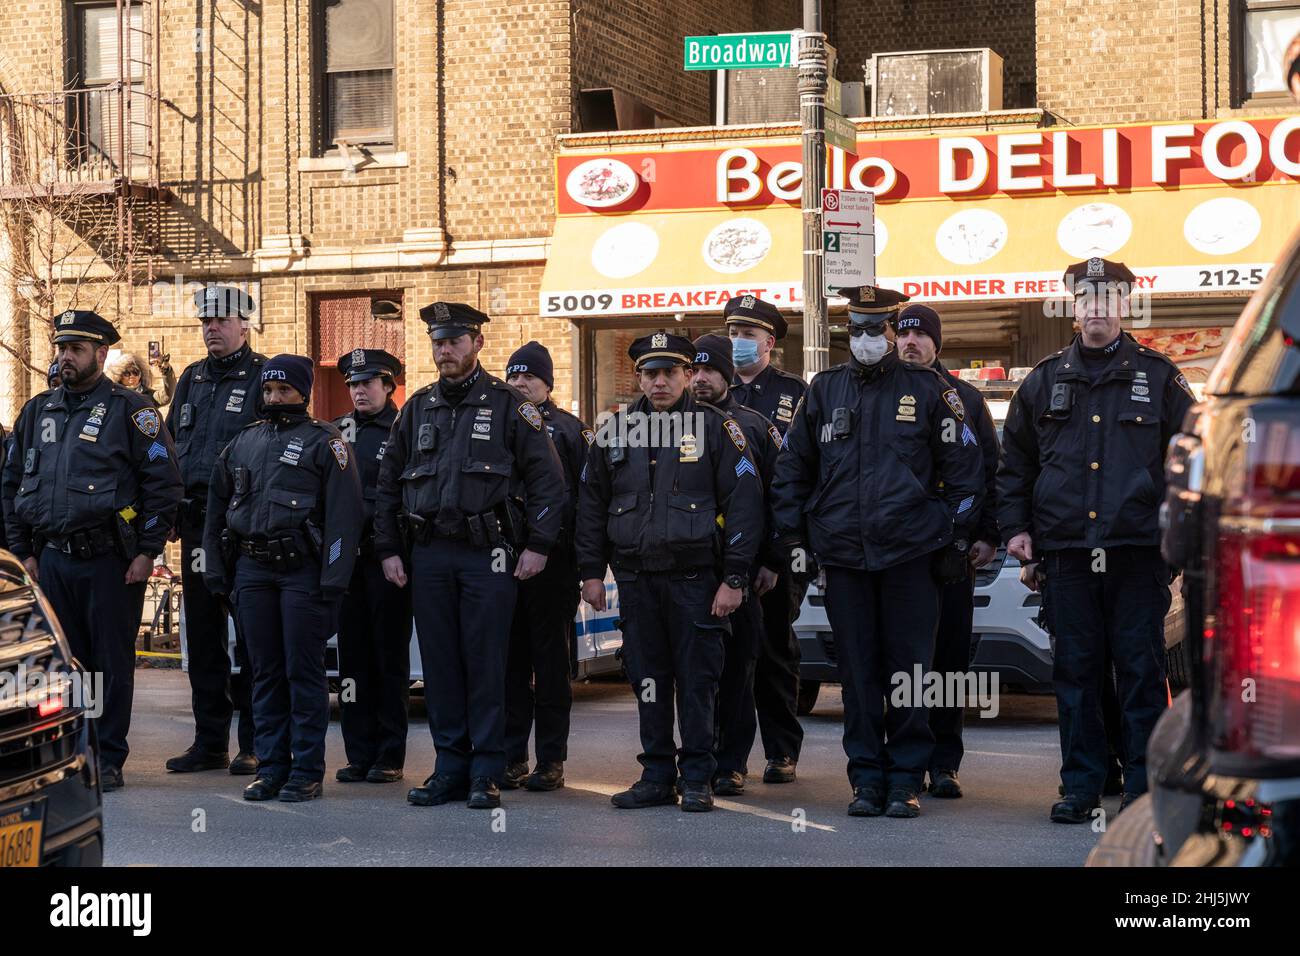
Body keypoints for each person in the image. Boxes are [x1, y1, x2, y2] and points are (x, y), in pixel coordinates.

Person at [771, 286, 984, 818]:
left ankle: (906, 778)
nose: (867, 339)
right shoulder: (824, 390)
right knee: (860, 677)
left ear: (894, 332)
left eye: (878, 329)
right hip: (844, 556)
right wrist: (798, 540)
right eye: (858, 330)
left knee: (910, 672)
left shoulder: (932, 390)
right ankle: (866, 779)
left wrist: (949, 535)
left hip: (911, 557)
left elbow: (967, 474)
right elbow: (793, 469)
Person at [998, 257, 1194, 823]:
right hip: (1067, 556)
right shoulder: (1042, 380)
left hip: (1137, 554)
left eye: (1109, 298)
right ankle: (1081, 786)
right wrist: (1015, 530)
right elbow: (1015, 466)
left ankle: (1144, 784)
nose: (1098, 309)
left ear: (1126, 305)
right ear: (1072, 307)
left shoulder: (1159, 378)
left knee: (1140, 671)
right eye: (1087, 298)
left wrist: (1178, 534)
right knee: (1076, 674)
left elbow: (1191, 461)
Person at [374, 303, 566, 811]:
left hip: (489, 556)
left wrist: (539, 546)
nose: (445, 350)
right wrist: (389, 549)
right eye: (439, 342)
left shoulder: (509, 407)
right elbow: (388, 485)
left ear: (477, 343)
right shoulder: (417, 408)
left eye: (455, 341)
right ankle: (449, 768)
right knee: (439, 667)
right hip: (430, 554)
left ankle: (487, 770)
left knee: (486, 664)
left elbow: (550, 484)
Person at [575, 331, 764, 813]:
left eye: (670, 373)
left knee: (698, 682)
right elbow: (592, 506)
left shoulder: (718, 429)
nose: (659, 382)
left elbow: (745, 506)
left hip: (697, 581)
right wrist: (591, 573)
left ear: (686, 375)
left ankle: (698, 775)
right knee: (648, 680)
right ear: (638, 377)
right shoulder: (613, 432)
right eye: (650, 373)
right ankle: (656, 774)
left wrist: (735, 577)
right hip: (637, 581)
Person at [2, 309, 183, 792]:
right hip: (52, 560)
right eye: (61, 348)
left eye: (76, 349)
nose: (64, 357)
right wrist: (24, 552)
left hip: (110, 561)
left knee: (106, 664)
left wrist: (147, 551)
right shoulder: (37, 411)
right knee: (61, 666)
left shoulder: (132, 411)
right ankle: (66, 751)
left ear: (101, 355)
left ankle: (105, 755)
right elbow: (11, 484)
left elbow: (163, 486)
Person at [204, 354, 362, 802]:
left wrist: (333, 582)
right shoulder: (242, 443)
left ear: (303, 394)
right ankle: (271, 766)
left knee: (302, 672)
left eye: (284, 391)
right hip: (252, 571)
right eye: (269, 390)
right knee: (264, 673)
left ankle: (307, 770)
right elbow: (218, 510)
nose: (274, 398)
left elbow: (344, 521)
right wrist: (217, 570)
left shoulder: (326, 442)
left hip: (303, 573)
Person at [894, 304, 1001, 799]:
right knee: (904, 660)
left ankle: (944, 762)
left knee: (949, 658)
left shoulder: (966, 399)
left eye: (921, 336)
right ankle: (904, 761)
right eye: (904, 334)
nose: (910, 342)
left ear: (938, 344)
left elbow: (991, 472)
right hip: (898, 552)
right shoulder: (883, 392)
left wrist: (987, 535)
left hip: (953, 549)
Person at [164, 286, 266, 776]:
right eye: (206, 321)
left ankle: (255, 743)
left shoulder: (265, 376)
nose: (212, 329)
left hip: (242, 526)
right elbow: (167, 449)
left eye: (222, 321)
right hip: (197, 523)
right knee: (204, 639)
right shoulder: (191, 379)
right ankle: (209, 742)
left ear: (245, 325)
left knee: (250, 638)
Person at [689, 333, 785, 797]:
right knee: (693, 674)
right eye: (697, 369)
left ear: (727, 374)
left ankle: (732, 763)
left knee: (739, 671)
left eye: (712, 370)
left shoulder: (756, 425)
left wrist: (770, 561)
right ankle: (696, 760)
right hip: (688, 571)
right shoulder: (669, 425)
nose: (702, 378)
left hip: (742, 570)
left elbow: (779, 498)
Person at [502, 341, 593, 793]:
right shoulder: (500, 422)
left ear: (547, 384)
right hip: (502, 564)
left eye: (529, 378)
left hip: (553, 566)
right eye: (514, 377)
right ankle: (512, 755)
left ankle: (551, 760)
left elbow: (584, 501)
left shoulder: (571, 431)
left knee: (551, 665)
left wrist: (578, 561)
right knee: (509, 665)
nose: (519, 384)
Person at [725, 295, 806, 784]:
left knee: (774, 650)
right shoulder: (710, 388)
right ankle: (728, 757)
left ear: (769, 343)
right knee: (729, 656)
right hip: (726, 547)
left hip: (777, 546)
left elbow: (801, 474)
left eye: (749, 334)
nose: (739, 342)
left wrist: (781, 553)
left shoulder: (794, 393)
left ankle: (781, 751)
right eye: (733, 332)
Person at [331, 349, 412, 785]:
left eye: (368, 383)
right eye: (353, 384)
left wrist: (390, 548)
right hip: (347, 564)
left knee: (388, 660)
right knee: (353, 663)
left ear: (387, 386)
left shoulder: (404, 429)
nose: (359, 391)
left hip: (387, 561)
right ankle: (358, 752)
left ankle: (389, 754)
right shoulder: (335, 432)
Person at [106, 348, 176, 408]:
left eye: (135, 372)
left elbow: (167, 396)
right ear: (119, 376)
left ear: (141, 374)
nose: (132, 376)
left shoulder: (149, 396)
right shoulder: (114, 395)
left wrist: (165, 369)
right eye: (127, 373)